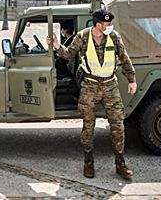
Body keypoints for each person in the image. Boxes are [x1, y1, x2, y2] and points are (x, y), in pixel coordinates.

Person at [50, 9, 137, 180]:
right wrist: (57, 46)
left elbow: (124, 58)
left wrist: (132, 79)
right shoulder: (83, 37)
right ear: (99, 25)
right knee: (88, 128)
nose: (111, 26)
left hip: (110, 86)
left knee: (118, 126)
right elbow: (68, 54)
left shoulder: (114, 37)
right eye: (108, 24)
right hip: (89, 86)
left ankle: (121, 164)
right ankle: (88, 163)